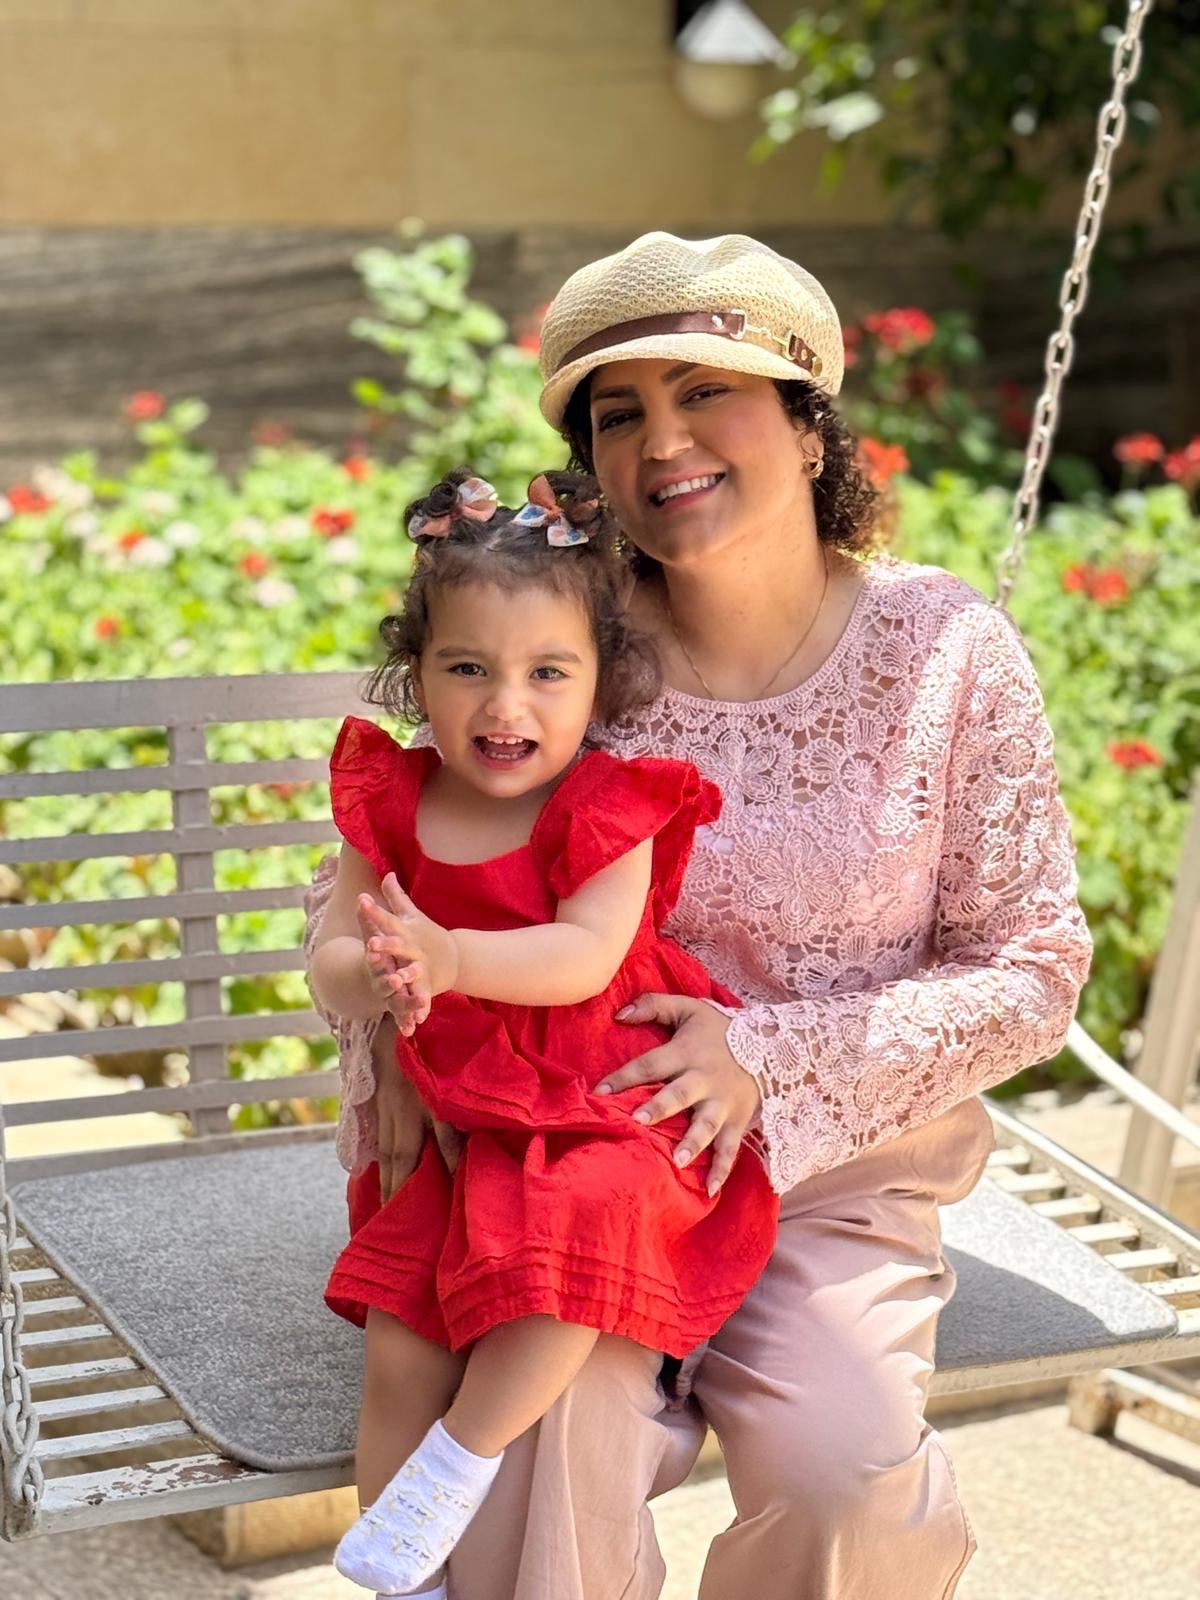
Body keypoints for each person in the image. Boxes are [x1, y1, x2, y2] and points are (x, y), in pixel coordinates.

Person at [306, 232, 1092, 1600]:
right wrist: (401, 1068)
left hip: (832, 1178)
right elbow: (404, 871)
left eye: (705, 391)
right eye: (620, 415)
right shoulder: (560, 647)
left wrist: (765, 1058)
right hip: (570, 1153)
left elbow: (1034, 970)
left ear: (806, 422)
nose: (663, 440)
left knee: (843, 1477)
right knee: (538, 1447)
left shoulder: (945, 650)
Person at [307, 466, 779, 1598]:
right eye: (467, 668)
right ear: (417, 672)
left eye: (546, 673)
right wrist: (379, 972)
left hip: (598, 1108)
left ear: (599, 681)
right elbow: (330, 961)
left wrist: (455, 959)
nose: (503, 706)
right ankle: (402, 1565)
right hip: (463, 1126)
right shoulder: (394, 802)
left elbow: (586, 955)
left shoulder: (604, 807)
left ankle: (458, 1462)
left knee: (573, 1255)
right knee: (403, 1331)